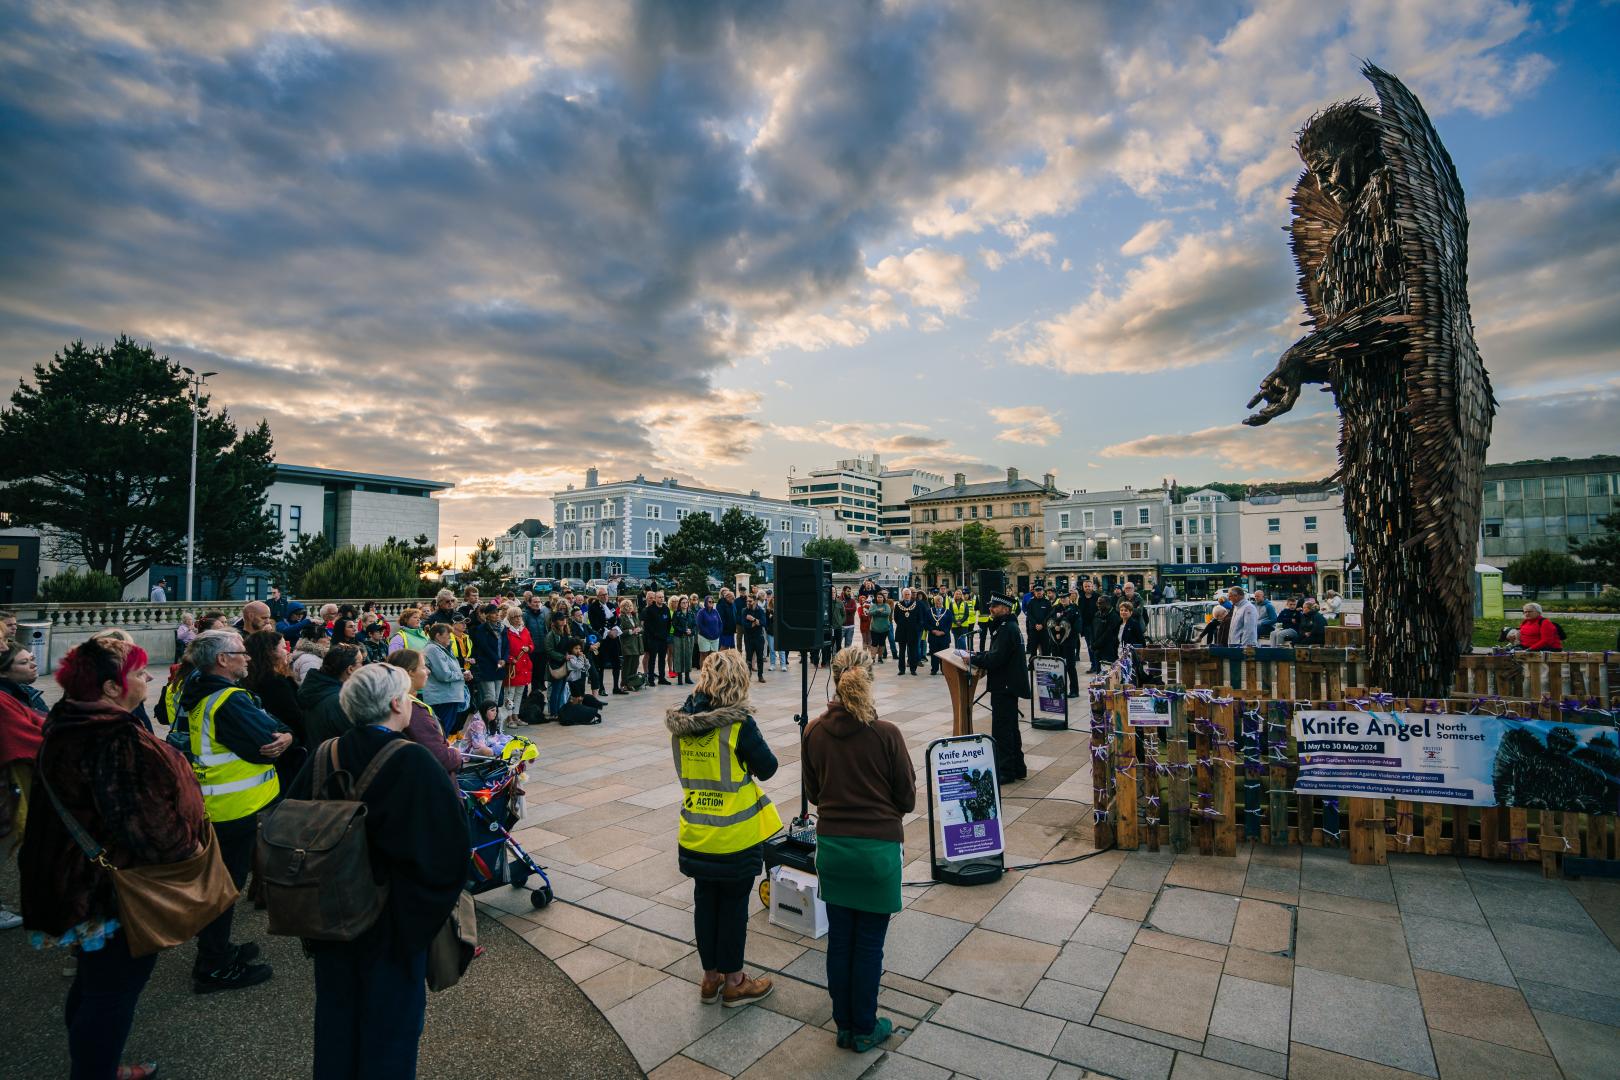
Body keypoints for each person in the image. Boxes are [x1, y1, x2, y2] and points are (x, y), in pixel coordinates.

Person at [19, 637, 207, 1080]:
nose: (147, 679)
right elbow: (149, 830)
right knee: (112, 993)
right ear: (109, 687)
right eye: (140, 673)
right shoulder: (115, 738)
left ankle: (95, 1066)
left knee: (95, 984)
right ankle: (96, 1072)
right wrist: (192, 851)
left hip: (72, 880)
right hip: (109, 890)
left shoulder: (67, 721)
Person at [283, 663, 465, 1079]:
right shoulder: (412, 760)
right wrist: (419, 920)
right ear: (396, 704)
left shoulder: (325, 752)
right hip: (390, 923)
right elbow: (448, 850)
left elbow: (291, 823)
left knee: (336, 1020)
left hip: (329, 911)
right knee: (390, 1032)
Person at [802, 645, 915, 1052]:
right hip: (877, 852)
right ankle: (865, 1026)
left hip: (833, 847)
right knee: (868, 944)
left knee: (840, 941)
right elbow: (907, 799)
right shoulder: (887, 734)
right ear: (869, 679)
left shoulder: (813, 730)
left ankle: (844, 1025)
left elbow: (813, 793)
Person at [667, 650, 779, 1008]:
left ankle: (709, 977)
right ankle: (734, 982)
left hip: (696, 831)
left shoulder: (683, 724)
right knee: (732, 907)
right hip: (734, 834)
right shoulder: (738, 723)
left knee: (705, 902)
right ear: (739, 682)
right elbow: (768, 767)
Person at [179, 629, 287, 993]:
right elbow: (268, 739)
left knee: (223, 885)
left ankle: (219, 950)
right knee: (225, 888)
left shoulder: (201, 690)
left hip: (221, 803)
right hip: (232, 807)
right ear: (222, 660)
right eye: (240, 653)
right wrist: (284, 737)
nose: (248, 657)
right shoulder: (228, 699)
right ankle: (213, 965)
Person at [970, 591, 1029, 782]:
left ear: (1004, 609)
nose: (990, 609)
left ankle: (1006, 771)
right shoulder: (1006, 626)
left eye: (994, 607)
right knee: (1011, 728)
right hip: (1007, 685)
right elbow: (998, 653)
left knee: (1003, 730)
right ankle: (1018, 767)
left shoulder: (1006, 628)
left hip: (1004, 686)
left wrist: (973, 657)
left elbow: (996, 658)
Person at [384, 651, 462, 775]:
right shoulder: (412, 709)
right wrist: (455, 754)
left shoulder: (392, 699)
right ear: (410, 673)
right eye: (423, 667)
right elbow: (441, 758)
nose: (428, 671)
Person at [243, 629, 307, 749]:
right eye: (283, 648)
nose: (288, 651)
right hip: (286, 747)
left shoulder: (249, 678)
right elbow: (295, 719)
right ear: (270, 652)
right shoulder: (276, 683)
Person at [301, 644, 364, 746]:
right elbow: (358, 739)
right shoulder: (340, 700)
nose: (363, 666)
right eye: (361, 662)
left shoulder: (317, 687)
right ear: (350, 669)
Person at [470, 603, 509, 723]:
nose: (496, 615)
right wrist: (497, 659)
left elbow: (506, 646)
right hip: (487, 666)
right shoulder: (481, 629)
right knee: (489, 696)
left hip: (500, 666)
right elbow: (484, 647)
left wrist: (504, 659)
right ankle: (485, 721)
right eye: (493, 613)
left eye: (497, 612)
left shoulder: (502, 628)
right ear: (487, 615)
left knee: (497, 697)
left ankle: (494, 721)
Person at [543, 613, 574, 717]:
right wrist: (563, 657)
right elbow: (549, 650)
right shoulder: (551, 635)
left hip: (564, 665)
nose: (564, 621)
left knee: (561, 689)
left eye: (564, 619)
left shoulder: (565, 633)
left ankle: (559, 711)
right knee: (556, 690)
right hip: (556, 665)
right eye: (561, 619)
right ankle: (553, 712)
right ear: (555, 621)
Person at [643, 591, 672, 686]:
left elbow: (668, 623)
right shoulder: (650, 610)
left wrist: (666, 635)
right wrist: (654, 635)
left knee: (662, 659)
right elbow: (647, 625)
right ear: (655, 599)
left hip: (663, 639)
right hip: (653, 639)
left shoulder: (666, 609)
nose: (661, 599)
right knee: (652, 659)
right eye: (659, 597)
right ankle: (651, 679)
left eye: (662, 597)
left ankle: (662, 678)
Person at [617, 597, 645, 691]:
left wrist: (640, 629)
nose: (629, 607)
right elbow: (620, 631)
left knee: (635, 664)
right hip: (627, 644)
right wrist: (631, 631)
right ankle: (624, 684)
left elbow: (640, 626)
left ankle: (632, 682)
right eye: (627, 606)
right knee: (627, 665)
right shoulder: (621, 618)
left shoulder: (634, 616)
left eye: (630, 605)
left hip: (636, 643)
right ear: (623, 607)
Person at [670, 596, 698, 685]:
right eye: (683, 603)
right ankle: (679, 678)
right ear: (680, 604)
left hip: (689, 637)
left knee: (688, 656)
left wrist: (691, 631)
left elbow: (695, 625)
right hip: (679, 637)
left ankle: (687, 677)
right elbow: (675, 625)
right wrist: (684, 630)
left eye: (686, 602)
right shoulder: (676, 613)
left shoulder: (691, 613)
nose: (685, 604)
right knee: (678, 656)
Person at [892, 588, 919, 675]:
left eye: (908, 594)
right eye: (905, 594)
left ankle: (913, 669)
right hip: (902, 631)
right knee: (902, 652)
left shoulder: (915, 604)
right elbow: (895, 618)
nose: (907, 596)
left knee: (912, 652)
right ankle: (901, 669)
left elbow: (918, 618)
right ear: (902, 595)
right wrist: (902, 624)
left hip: (912, 631)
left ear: (911, 595)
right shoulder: (898, 605)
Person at [741, 591, 768, 682]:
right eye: (747, 601)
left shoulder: (760, 610)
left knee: (760, 657)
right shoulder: (744, 611)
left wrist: (753, 619)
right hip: (748, 637)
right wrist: (755, 623)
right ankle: (748, 675)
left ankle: (760, 676)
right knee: (748, 657)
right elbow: (744, 625)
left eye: (750, 601)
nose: (748, 603)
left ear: (755, 601)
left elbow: (763, 623)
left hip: (759, 637)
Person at [924, 594, 952, 675]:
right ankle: (934, 669)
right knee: (934, 654)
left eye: (939, 601)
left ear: (942, 602)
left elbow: (949, 624)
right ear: (934, 602)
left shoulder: (948, 612)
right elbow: (926, 623)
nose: (938, 603)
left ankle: (944, 669)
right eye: (936, 601)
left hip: (944, 637)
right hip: (933, 636)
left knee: (944, 654)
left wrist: (943, 632)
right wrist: (933, 630)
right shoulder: (929, 611)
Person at [1025, 584, 1053, 656]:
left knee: (1046, 649)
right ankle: (1032, 665)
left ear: (1043, 592)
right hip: (1034, 629)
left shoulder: (1047, 602)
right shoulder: (1030, 602)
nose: (1038, 592)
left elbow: (1049, 615)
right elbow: (1029, 615)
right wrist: (1036, 624)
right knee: (1033, 650)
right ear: (1034, 592)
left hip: (1044, 629)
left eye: (1040, 591)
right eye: (1037, 591)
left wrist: (1042, 625)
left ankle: (1046, 665)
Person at [696, 597, 722, 669]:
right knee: (704, 655)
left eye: (712, 602)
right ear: (705, 602)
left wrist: (718, 633)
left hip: (715, 638)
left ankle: (711, 674)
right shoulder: (701, 612)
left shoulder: (715, 611)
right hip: (704, 637)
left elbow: (720, 623)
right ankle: (703, 674)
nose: (711, 603)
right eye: (709, 601)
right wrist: (707, 634)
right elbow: (699, 624)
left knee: (713, 656)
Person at [867, 591, 891, 662]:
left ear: (883, 598)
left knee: (882, 643)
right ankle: (873, 657)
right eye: (878, 597)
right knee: (874, 643)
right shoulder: (873, 605)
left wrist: (877, 613)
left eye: (881, 597)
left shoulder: (886, 605)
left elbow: (887, 613)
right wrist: (878, 610)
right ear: (876, 598)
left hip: (884, 628)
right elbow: (870, 613)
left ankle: (880, 657)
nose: (879, 598)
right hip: (875, 628)